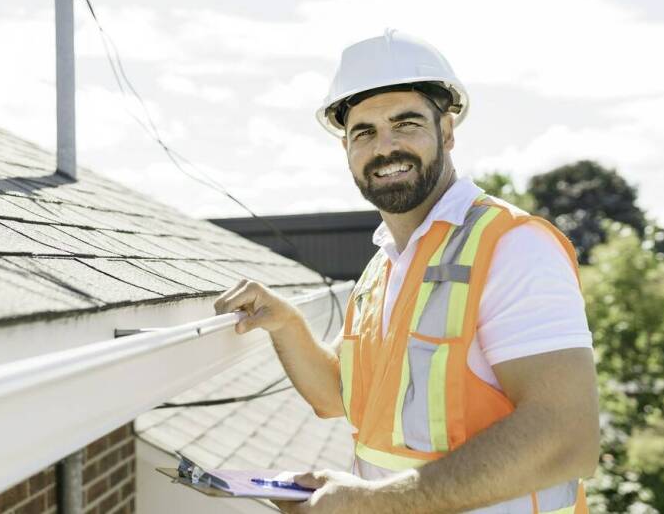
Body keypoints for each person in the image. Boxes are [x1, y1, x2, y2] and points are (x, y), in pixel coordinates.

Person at [214, 30, 599, 513]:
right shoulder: (383, 267)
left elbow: (566, 436)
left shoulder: (513, 247)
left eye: (406, 123)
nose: (385, 147)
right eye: (364, 132)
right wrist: (286, 321)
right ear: (347, 150)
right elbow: (339, 397)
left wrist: (375, 502)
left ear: (448, 131)